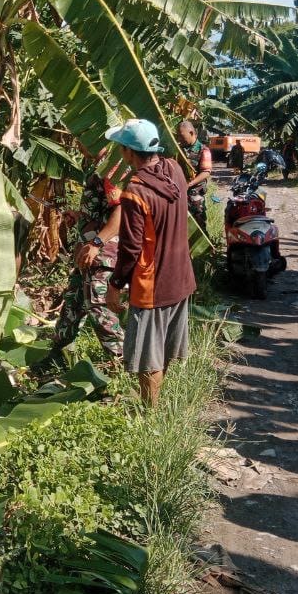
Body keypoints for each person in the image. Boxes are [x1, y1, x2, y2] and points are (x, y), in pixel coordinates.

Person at [104, 119, 196, 407]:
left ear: (129, 152)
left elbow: (130, 248)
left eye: (122, 148)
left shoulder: (135, 192)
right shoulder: (175, 170)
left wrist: (115, 284)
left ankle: (150, 415)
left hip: (152, 285)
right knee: (163, 349)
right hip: (181, 277)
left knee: (148, 356)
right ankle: (153, 404)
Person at [44, 166, 124, 368]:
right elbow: (100, 212)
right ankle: (57, 356)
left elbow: (122, 210)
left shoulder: (111, 167)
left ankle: (122, 361)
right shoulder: (92, 169)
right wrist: (80, 216)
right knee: (73, 302)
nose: (79, 144)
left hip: (102, 254)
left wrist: (97, 243)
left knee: (99, 308)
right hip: (85, 255)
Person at [175, 120, 212, 231]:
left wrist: (189, 184)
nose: (180, 139)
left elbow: (206, 172)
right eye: (178, 136)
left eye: (182, 136)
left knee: (199, 225)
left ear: (191, 133)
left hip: (195, 195)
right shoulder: (179, 149)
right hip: (180, 193)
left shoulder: (203, 150)